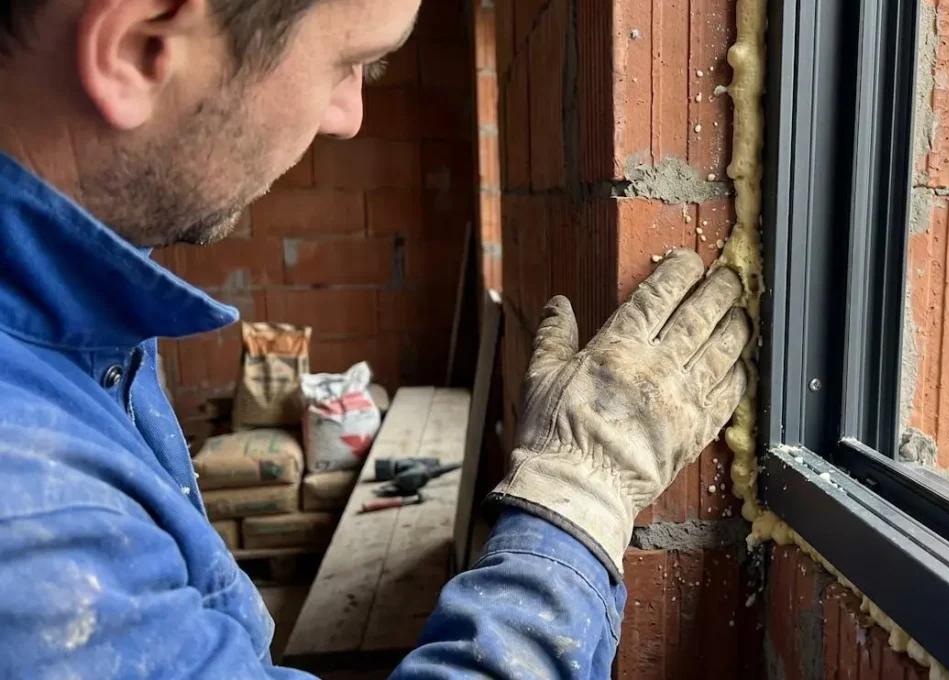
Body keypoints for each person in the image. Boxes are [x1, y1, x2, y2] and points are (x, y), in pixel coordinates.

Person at [0, 0, 751, 677]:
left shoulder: (67, 318)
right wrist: (580, 491)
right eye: (349, 63)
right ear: (138, 48)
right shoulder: (34, 526)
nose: (349, 114)